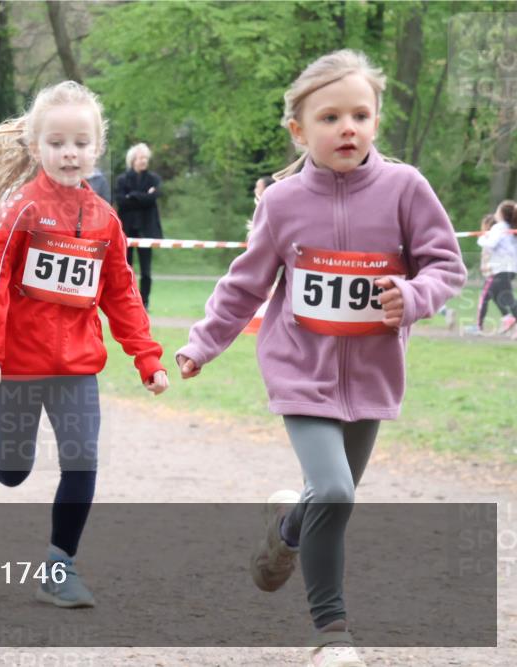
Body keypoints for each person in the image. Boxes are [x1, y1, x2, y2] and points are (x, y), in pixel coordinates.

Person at [174, 50, 465, 666]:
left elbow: (447, 267)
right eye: (330, 117)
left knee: (328, 500)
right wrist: (203, 343)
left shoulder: (406, 189)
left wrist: (411, 296)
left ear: (378, 121)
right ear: (299, 130)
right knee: (334, 490)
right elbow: (246, 285)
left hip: (373, 375)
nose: (348, 128)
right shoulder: (281, 202)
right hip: (299, 371)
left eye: (361, 114)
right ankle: (332, 634)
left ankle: (286, 530)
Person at [0, 80, 169, 609]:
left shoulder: (105, 220)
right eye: (56, 143)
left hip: (77, 370)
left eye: (80, 142)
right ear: (37, 148)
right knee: (13, 472)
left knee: (81, 462)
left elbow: (121, 293)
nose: (69, 152)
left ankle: (59, 567)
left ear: (96, 148)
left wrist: (146, 358)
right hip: (14, 368)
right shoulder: (20, 212)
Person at [114, 143, 162, 309]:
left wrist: (132, 196)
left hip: (146, 230)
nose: (144, 161)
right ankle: (126, 301)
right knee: (125, 269)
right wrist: (142, 197)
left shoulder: (154, 179)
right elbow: (121, 201)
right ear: (133, 159)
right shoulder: (122, 179)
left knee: (146, 270)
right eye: (141, 158)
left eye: (146, 158)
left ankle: (145, 302)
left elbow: (153, 198)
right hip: (127, 229)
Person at [476, 199, 517, 335]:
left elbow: (491, 244)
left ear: (502, 214)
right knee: (497, 295)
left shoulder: (499, 227)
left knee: (487, 296)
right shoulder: (509, 228)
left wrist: (482, 238)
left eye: (497, 211)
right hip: (509, 269)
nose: (495, 213)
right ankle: (507, 319)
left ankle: (478, 327)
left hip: (501, 269)